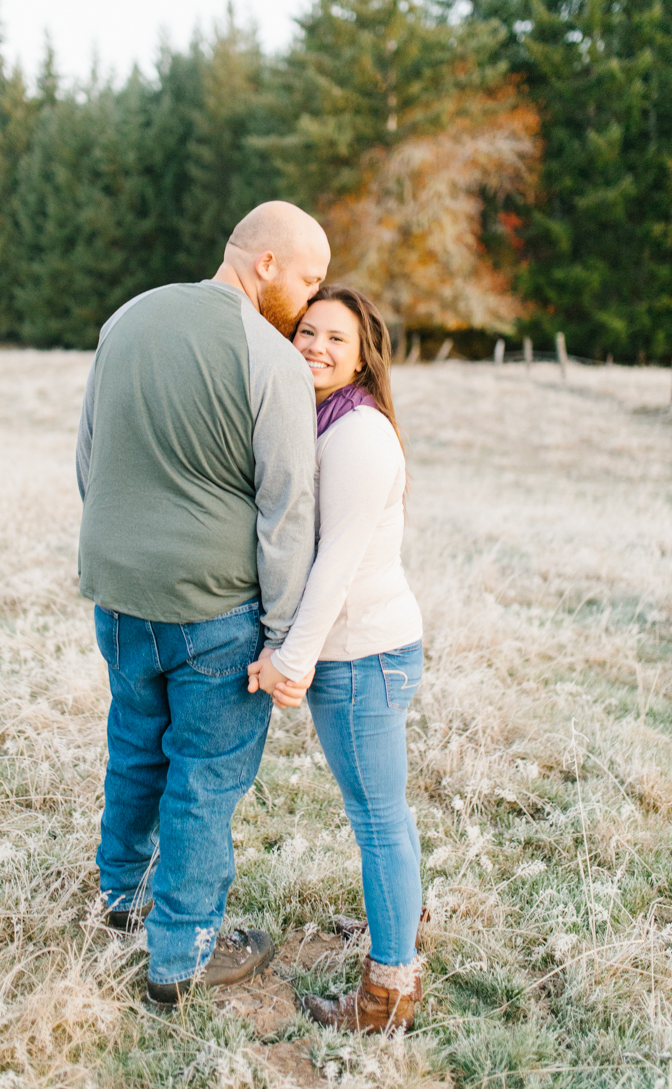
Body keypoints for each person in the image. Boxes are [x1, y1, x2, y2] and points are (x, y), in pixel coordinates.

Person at [76, 201, 330, 1007]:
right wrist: (286, 635)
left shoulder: (126, 319)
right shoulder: (269, 356)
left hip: (118, 597)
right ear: (265, 265)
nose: (314, 295)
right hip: (213, 612)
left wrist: (128, 553)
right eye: (309, 277)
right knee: (206, 776)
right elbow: (286, 509)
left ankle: (122, 903)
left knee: (135, 742)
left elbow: (90, 459)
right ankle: (180, 956)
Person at [248, 284, 424, 1035]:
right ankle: (398, 930)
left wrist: (292, 660)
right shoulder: (322, 420)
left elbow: (336, 562)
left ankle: (388, 994)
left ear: (360, 359)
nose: (316, 347)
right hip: (361, 652)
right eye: (306, 332)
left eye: (336, 340)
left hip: (362, 655)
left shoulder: (357, 435)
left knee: (379, 820)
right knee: (382, 815)